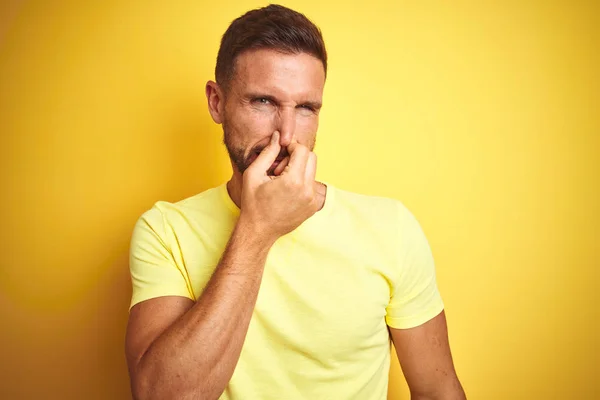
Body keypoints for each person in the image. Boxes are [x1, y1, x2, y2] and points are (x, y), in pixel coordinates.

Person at [125, 4, 466, 400]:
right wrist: (258, 228)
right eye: (263, 102)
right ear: (217, 102)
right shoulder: (165, 231)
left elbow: (438, 388)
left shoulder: (391, 227)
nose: (286, 135)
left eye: (306, 108)